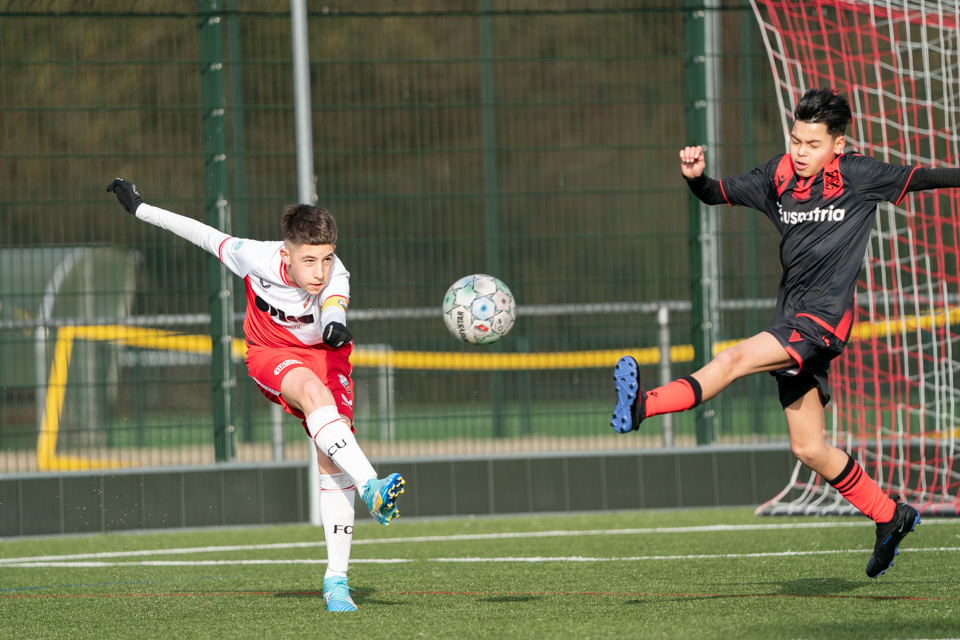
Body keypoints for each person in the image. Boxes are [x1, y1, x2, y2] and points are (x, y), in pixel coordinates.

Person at [611, 88, 960, 578]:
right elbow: (718, 193)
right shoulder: (778, 175)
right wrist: (696, 178)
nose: (800, 151)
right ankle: (889, 515)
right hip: (790, 319)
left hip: (820, 323)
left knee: (732, 360)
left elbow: (926, 177)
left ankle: (641, 406)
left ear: (837, 145)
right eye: (795, 139)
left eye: (812, 144)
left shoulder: (859, 175)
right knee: (809, 448)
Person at [107, 178, 405, 612]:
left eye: (326, 258)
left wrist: (333, 323)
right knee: (310, 390)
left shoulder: (335, 274)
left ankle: (336, 583)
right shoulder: (255, 256)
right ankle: (372, 486)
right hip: (271, 354)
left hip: (326, 353)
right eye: (310, 261)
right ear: (286, 254)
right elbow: (200, 233)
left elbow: (333, 306)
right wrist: (140, 210)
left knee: (332, 456)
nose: (320, 272)